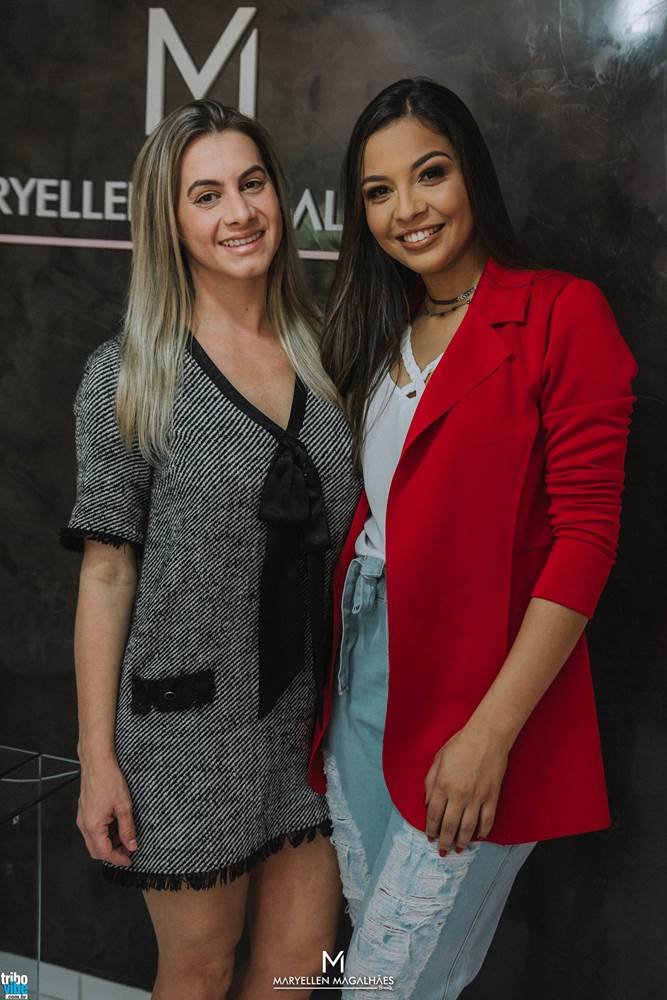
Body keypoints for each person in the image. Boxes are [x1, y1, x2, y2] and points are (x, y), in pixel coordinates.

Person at [308, 77, 638, 999]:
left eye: (430, 174)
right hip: (360, 678)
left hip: (480, 687)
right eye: (378, 191)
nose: (407, 210)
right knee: (389, 968)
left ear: (471, 175)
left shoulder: (560, 312)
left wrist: (489, 734)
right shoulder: (374, 328)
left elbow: (585, 539)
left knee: (387, 984)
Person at [61, 98, 359, 1000]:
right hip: (186, 733)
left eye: (252, 183)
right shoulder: (129, 374)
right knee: (198, 970)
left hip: (314, 728)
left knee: (298, 973)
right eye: (206, 195)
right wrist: (97, 760)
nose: (239, 212)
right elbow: (106, 574)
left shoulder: (328, 355)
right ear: (170, 221)